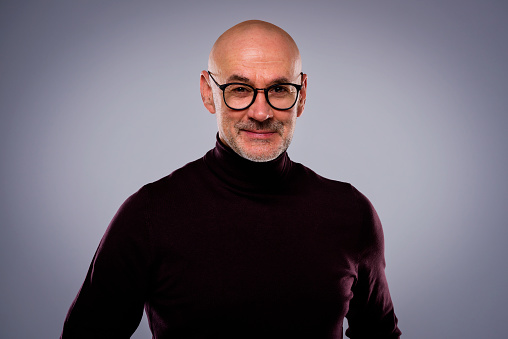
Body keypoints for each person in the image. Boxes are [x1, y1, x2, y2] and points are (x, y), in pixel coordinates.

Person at [61, 20, 401, 338]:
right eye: (239, 89)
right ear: (208, 92)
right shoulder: (149, 214)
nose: (261, 112)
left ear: (302, 94)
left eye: (279, 89)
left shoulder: (350, 212)